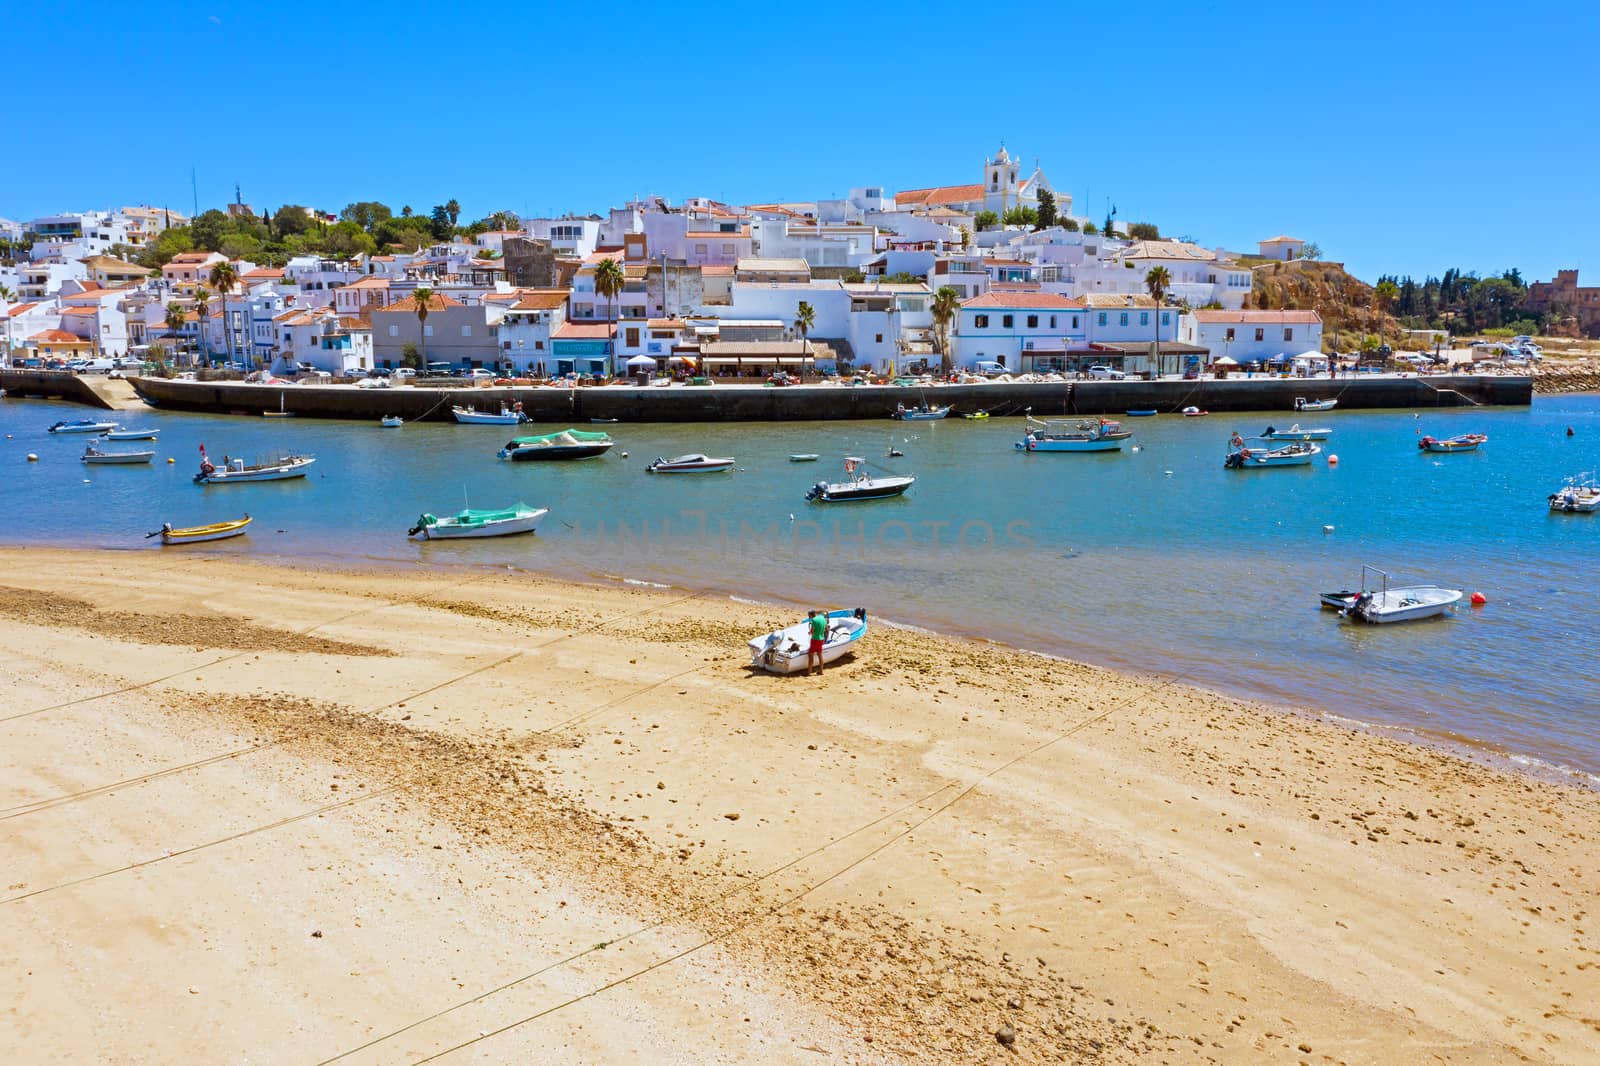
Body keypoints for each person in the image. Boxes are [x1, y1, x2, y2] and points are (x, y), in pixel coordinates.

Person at [806, 610, 828, 675]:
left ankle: (809, 672)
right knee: (820, 655)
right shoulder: (822, 618)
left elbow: (812, 631)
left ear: (810, 615)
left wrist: (809, 632)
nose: (809, 618)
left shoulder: (814, 620)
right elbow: (826, 628)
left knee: (810, 655)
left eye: (809, 616)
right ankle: (821, 671)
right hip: (821, 639)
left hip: (815, 639)